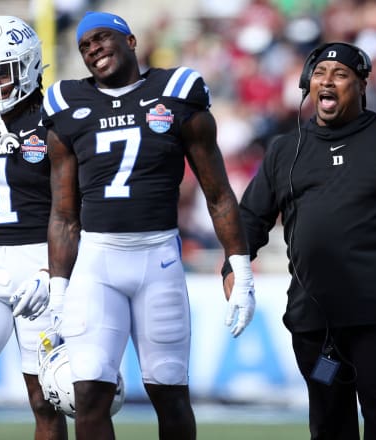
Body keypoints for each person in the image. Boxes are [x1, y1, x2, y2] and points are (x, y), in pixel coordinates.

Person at [222, 42, 376, 440]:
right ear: (307, 83)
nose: (327, 81)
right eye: (320, 73)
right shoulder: (285, 149)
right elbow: (252, 218)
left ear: (361, 86)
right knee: (327, 421)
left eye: (339, 75)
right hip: (314, 320)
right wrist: (232, 267)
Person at [41, 11, 256, 440]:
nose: (93, 50)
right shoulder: (67, 104)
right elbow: (64, 213)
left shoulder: (177, 93)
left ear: (132, 40)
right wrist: (58, 288)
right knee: (89, 397)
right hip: (97, 263)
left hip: (158, 257)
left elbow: (218, 193)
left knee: (171, 394)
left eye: (102, 39)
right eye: (84, 46)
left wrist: (241, 268)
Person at [0, 16, 68, 440]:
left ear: (28, 65)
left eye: (1, 71)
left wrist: (54, 271)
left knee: (44, 397)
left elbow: (72, 207)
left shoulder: (54, 118)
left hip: (37, 260)